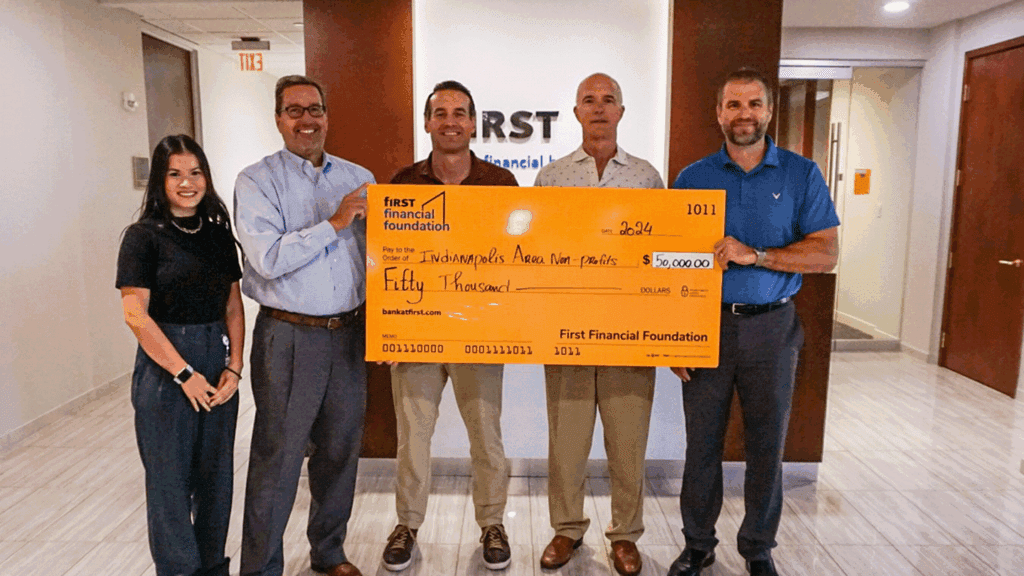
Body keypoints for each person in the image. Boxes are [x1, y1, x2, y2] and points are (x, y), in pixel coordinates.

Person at [667, 69, 839, 576]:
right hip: (707, 327)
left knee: (767, 444)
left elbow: (825, 254)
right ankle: (698, 544)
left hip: (773, 328)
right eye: (734, 105)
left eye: (754, 104)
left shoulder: (801, 174)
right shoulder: (692, 177)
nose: (744, 114)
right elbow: (671, 265)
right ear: (719, 114)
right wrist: (674, 337)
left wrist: (757, 255)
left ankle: (758, 547)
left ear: (769, 110)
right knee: (702, 444)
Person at [234, 75, 374, 576]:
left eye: (315, 109)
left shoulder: (359, 178)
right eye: (294, 110)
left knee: (340, 452)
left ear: (327, 116)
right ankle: (261, 568)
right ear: (278, 119)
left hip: (349, 335)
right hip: (288, 337)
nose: (306, 119)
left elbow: (380, 261)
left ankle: (328, 553)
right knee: (279, 458)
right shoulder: (257, 181)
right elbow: (268, 259)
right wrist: (334, 223)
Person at [379, 80, 518, 572]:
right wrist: (389, 329)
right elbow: (386, 260)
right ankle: (407, 524)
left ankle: (492, 523)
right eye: (441, 113)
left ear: (474, 123)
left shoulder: (500, 183)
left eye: (460, 113)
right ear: (427, 122)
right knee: (412, 439)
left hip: (478, 332)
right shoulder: (402, 184)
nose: (450, 121)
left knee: (487, 437)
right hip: (416, 332)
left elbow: (517, 258)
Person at [534, 73, 664, 576]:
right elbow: (535, 254)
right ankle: (567, 529)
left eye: (609, 100)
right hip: (566, 330)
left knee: (627, 443)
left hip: (629, 332)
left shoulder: (647, 177)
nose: (599, 108)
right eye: (589, 100)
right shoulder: (551, 178)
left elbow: (662, 256)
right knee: (566, 442)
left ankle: (625, 535)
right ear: (576, 113)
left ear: (622, 112)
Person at [117, 134, 244, 576]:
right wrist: (184, 373)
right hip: (166, 369)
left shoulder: (217, 234)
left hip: (216, 360)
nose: (187, 183)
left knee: (216, 480)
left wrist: (235, 368)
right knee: (169, 484)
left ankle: (212, 567)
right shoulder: (142, 237)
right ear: (160, 179)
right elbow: (135, 315)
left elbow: (233, 305)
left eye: (195, 172)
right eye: (175, 174)